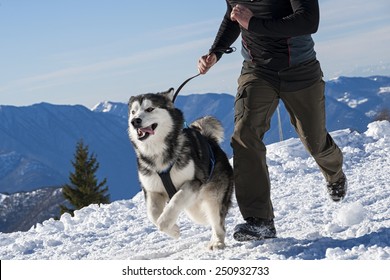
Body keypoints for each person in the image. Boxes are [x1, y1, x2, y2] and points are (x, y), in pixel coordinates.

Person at [197, 0, 347, 241]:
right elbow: (233, 17)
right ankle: (259, 221)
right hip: (257, 70)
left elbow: (309, 21)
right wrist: (216, 51)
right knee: (244, 136)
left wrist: (253, 23)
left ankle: (335, 173)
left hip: (300, 69)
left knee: (315, 141)